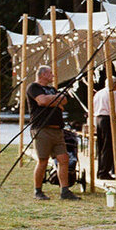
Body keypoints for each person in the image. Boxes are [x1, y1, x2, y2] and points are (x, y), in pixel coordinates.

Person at [26, 66, 79, 201]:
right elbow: (42, 101)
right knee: (43, 161)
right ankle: (38, 191)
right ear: (43, 74)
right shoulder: (33, 87)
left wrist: (52, 99)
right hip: (42, 129)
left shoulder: (52, 89)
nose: (53, 76)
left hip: (57, 130)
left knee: (64, 159)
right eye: (50, 73)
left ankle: (65, 191)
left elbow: (64, 100)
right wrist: (55, 100)